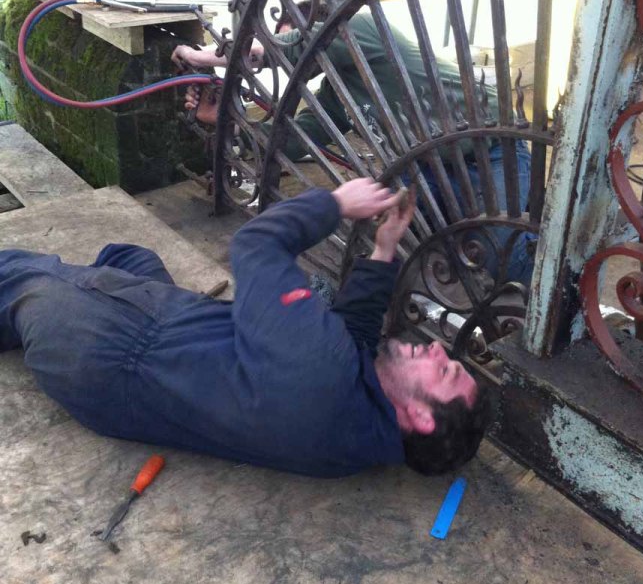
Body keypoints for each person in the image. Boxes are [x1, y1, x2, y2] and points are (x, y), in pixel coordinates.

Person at [0, 178, 489, 478]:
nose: (438, 352)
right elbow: (356, 345)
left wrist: (335, 204)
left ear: (420, 417)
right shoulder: (362, 435)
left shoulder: (319, 369)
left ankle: (44, 296)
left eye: (444, 373)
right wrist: (383, 252)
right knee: (130, 257)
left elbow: (255, 245)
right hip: (133, 382)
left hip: (104, 347)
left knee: (27, 274)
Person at [172, 6, 535, 284]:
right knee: (383, 243)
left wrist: (203, 56)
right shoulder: (336, 94)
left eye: (301, 36)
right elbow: (294, 141)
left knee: (509, 256)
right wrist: (226, 120)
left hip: (490, 147)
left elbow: (288, 49)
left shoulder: (361, 28)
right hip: (428, 166)